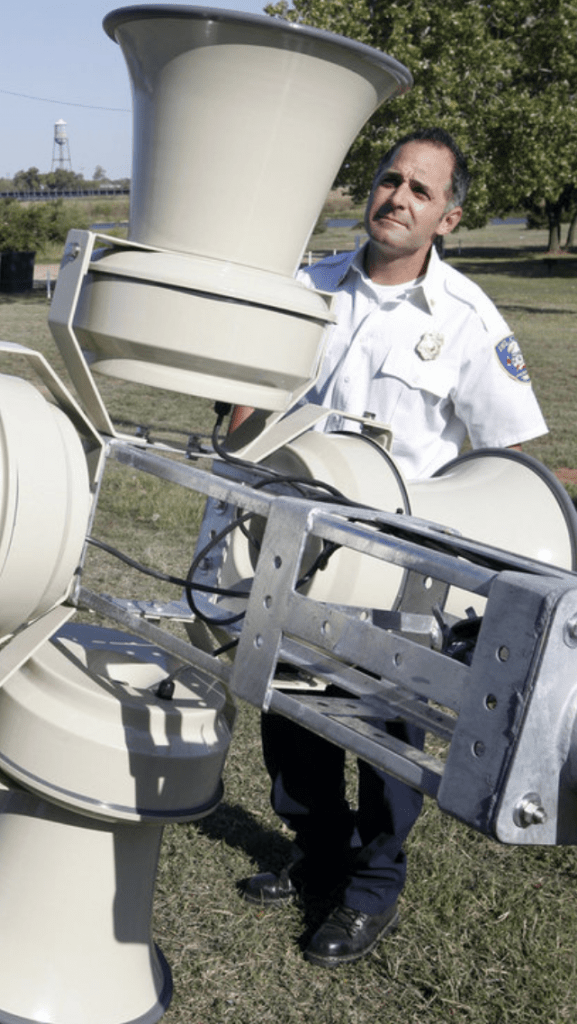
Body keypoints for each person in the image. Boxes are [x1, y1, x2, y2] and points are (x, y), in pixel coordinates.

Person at [236, 127, 548, 967]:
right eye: (388, 179)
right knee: (290, 716)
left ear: (447, 216)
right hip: (294, 546)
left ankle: (371, 888)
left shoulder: (467, 321)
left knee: (384, 740)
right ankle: (316, 858)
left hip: (399, 569)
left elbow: (501, 463)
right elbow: (241, 409)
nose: (397, 198)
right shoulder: (307, 289)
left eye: (420, 189)